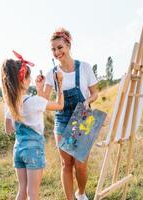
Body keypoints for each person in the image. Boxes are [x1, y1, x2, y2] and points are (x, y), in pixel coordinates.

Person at [44, 28, 99, 200]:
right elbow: (44, 100)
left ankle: (81, 194)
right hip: (61, 119)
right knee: (66, 163)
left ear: (68, 45)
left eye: (60, 47)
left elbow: (95, 93)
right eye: (53, 49)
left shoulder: (84, 67)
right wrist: (40, 87)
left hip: (83, 116)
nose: (57, 52)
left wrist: (88, 101)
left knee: (80, 164)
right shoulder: (51, 73)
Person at [2, 51, 64, 200]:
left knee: (22, 190)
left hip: (18, 149)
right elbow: (59, 105)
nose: (30, 81)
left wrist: (39, 87)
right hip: (33, 150)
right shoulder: (33, 101)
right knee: (33, 193)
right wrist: (60, 84)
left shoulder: (9, 103)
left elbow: (8, 130)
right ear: (23, 80)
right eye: (29, 78)